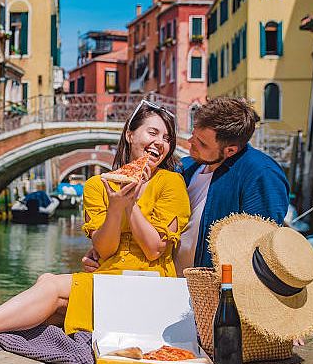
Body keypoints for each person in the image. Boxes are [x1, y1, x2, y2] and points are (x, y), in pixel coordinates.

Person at [0, 100, 191, 353]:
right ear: (130, 135)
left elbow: (155, 249)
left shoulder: (171, 183)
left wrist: (130, 205)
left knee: (50, 285)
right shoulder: (97, 185)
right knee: (45, 303)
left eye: (167, 138)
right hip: (108, 279)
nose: (160, 143)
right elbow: (105, 250)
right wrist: (116, 205)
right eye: (152, 133)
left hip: (151, 285)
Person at [82, 97, 289, 275]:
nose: (189, 142)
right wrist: (103, 252)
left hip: (212, 296)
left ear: (230, 151)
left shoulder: (261, 173)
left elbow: (261, 247)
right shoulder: (187, 167)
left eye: (202, 142)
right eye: (193, 133)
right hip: (173, 284)